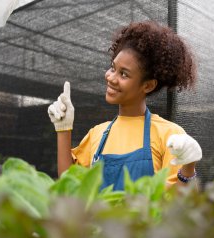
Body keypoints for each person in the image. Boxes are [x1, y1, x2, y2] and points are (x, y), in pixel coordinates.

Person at [48, 21, 202, 190]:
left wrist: (188, 168)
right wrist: (63, 129)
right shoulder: (97, 134)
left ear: (148, 85)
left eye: (124, 74)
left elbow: (176, 204)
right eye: (112, 68)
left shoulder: (169, 135)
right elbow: (69, 184)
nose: (111, 78)